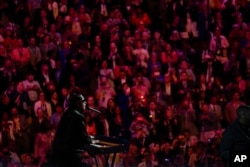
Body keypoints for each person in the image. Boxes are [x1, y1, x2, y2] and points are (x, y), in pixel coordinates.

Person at [49, 92, 91, 167]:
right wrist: (90, 140)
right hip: (71, 154)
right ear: (78, 103)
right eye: (83, 100)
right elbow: (83, 137)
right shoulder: (79, 116)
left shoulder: (66, 113)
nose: (85, 102)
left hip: (61, 154)